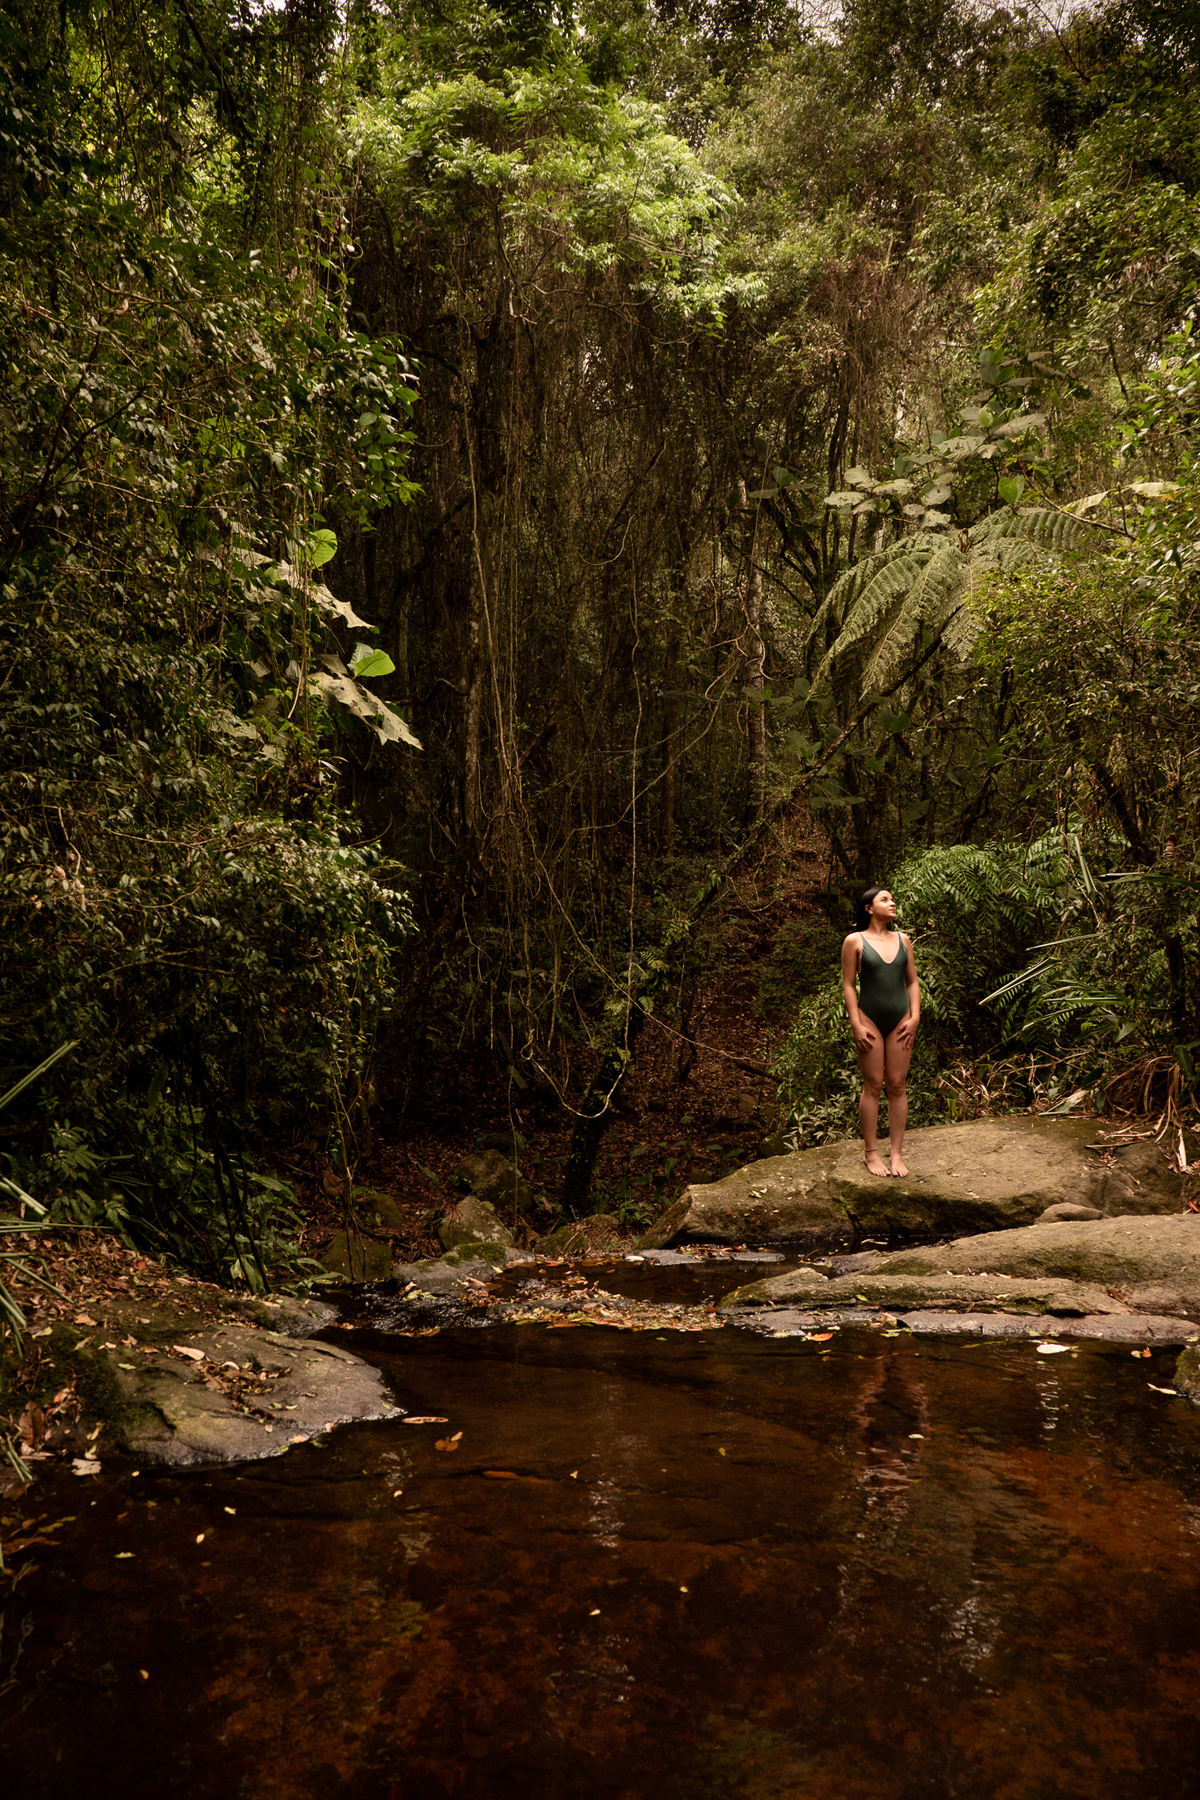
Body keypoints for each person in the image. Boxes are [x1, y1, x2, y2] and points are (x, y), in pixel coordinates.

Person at [841, 886, 920, 1178]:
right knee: (873, 1085)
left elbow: (912, 982)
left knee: (897, 1085)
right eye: (884, 899)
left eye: (892, 899)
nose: (892, 903)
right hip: (869, 1018)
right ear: (869, 909)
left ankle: (897, 1154)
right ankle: (871, 1153)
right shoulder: (854, 941)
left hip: (901, 1018)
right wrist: (856, 1023)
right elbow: (849, 984)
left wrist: (915, 1017)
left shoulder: (904, 940)